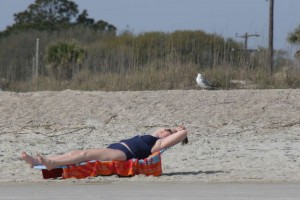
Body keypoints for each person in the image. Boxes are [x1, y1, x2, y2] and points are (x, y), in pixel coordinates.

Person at [22, 125, 188, 170]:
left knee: (85, 153)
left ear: (169, 136)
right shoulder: (153, 136)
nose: (163, 129)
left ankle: (52, 164)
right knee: (77, 153)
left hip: (123, 153)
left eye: (167, 130)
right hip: (116, 148)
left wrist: (178, 131)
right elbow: (159, 130)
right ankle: (37, 162)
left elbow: (182, 134)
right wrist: (170, 129)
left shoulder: (157, 144)